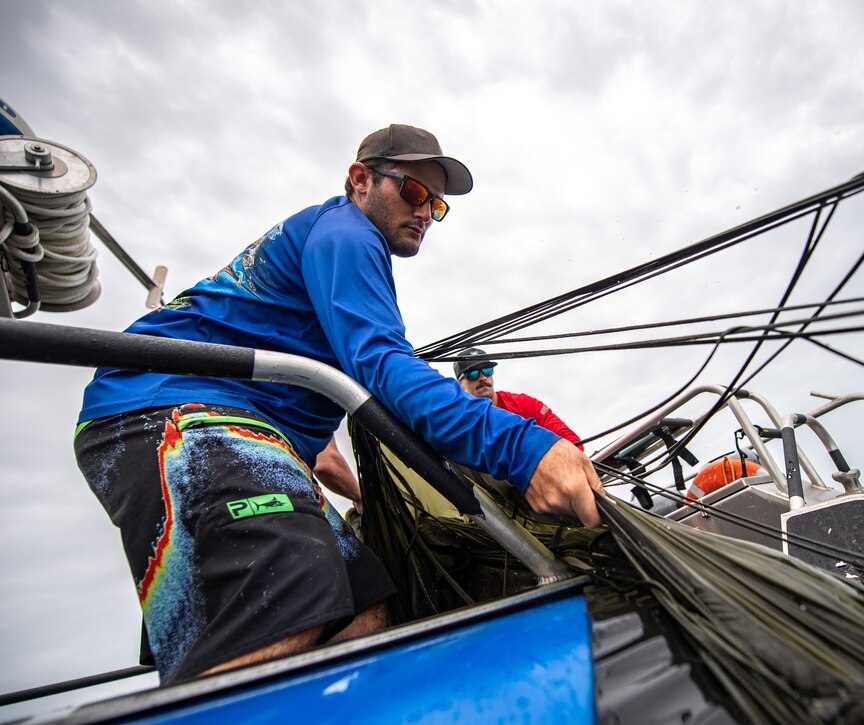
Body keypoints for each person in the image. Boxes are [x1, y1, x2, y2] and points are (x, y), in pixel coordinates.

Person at [73, 124, 603, 685]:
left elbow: (348, 421)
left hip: (247, 431)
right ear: (361, 180)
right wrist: (522, 449)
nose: (426, 211)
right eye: (414, 191)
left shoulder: (328, 264)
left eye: (437, 204)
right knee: (296, 603)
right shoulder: (346, 234)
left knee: (362, 605)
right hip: (171, 412)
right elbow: (384, 365)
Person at [453, 348, 583, 449]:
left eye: (487, 370)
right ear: (459, 384)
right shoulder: (458, 422)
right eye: (472, 373)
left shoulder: (524, 404)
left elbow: (573, 441)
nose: (482, 378)